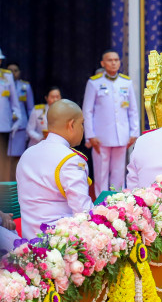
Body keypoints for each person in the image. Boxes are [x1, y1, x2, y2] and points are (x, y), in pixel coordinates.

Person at [16, 100, 93, 240]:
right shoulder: (71, 159)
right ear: (71, 125)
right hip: (60, 246)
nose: (83, 128)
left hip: (28, 244)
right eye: (81, 123)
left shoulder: (27, 154)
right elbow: (84, 211)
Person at [82, 50, 139, 193]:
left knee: (119, 173)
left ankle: (117, 204)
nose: (113, 63)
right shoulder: (94, 83)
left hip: (122, 136)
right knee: (101, 173)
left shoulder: (126, 82)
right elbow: (87, 111)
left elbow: (133, 110)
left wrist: (134, 133)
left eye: (116, 60)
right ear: (103, 63)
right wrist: (90, 135)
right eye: (109, 60)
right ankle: (101, 206)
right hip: (100, 137)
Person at [0, 49, 22, 182]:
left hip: (4, 125)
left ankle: (2, 191)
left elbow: (15, 102)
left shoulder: (7, 76)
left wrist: (17, 120)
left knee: (3, 159)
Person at [6, 62, 34, 161]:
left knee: (18, 157)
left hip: (21, 126)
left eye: (15, 71)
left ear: (20, 72)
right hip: (5, 124)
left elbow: (30, 108)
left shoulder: (25, 86)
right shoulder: (2, 85)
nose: (13, 73)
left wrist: (30, 127)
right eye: (10, 71)